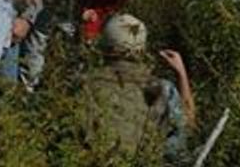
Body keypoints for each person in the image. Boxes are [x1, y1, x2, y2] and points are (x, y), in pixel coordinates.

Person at [83, 14, 195, 162]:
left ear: (105, 46)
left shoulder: (83, 82)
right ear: (142, 50)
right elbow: (187, 129)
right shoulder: (164, 89)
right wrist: (181, 74)